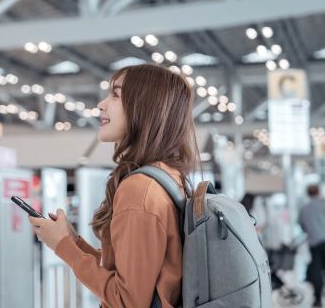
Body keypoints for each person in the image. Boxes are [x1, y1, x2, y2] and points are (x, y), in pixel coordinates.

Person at [28, 64, 200, 308]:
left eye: (115, 95)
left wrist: (63, 247)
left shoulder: (140, 189)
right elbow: (137, 273)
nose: (101, 104)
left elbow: (127, 300)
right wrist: (75, 243)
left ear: (145, 108)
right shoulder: (169, 177)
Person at [298, 184, 325, 308]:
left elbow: (302, 226)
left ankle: (317, 299)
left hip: (313, 243)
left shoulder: (303, 209)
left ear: (307, 193)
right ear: (319, 192)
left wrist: (311, 231)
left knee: (316, 271)